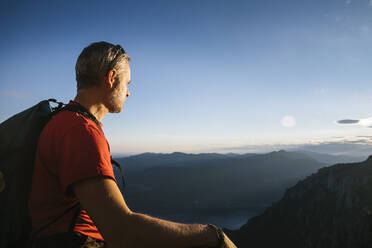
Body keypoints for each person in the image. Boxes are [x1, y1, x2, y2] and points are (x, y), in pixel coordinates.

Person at [29, 41, 237, 248]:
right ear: (111, 78)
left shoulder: (65, 121)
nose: (128, 92)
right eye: (127, 83)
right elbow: (122, 232)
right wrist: (211, 236)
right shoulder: (80, 131)